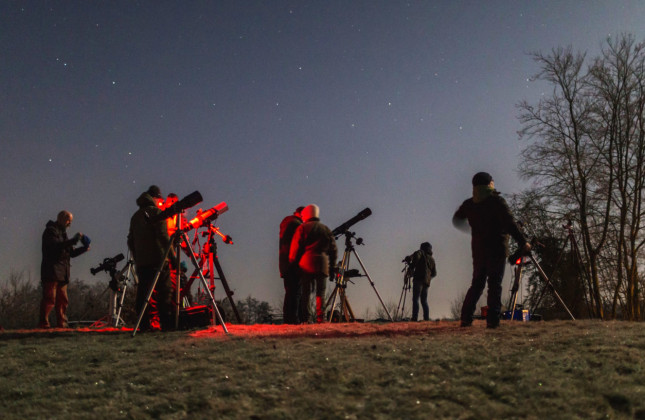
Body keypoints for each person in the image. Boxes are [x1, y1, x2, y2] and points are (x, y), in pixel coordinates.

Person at [453, 172, 531, 329]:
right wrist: (523, 242)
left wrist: (472, 228)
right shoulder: (496, 202)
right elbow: (510, 224)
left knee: (477, 284)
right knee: (494, 284)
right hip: (497, 249)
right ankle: (493, 321)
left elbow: (457, 219)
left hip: (478, 250)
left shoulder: (469, 204)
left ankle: (466, 318)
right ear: (489, 184)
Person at [128, 185, 176, 332]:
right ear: (155, 198)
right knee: (165, 292)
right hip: (159, 260)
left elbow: (130, 240)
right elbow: (163, 236)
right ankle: (166, 324)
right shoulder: (156, 212)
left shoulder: (135, 216)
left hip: (142, 262)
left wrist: (137, 257)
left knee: (143, 293)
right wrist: (172, 257)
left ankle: (143, 325)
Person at [39, 210, 91, 328]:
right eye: (68, 220)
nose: (70, 224)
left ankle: (62, 323)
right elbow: (55, 247)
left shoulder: (63, 234)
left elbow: (70, 253)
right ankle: (44, 324)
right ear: (61, 218)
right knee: (49, 299)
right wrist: (73, 240)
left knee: (62, 300)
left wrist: (84, 249)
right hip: (52, 271)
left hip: (62, 272)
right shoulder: (50, 231)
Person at [289, 204, 337, 323]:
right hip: (322, 264)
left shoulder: (302, 229)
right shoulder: (325, 229)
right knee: (320, 293)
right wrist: (332, 268)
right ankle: (322, 319)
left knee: (306, 293)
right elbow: (333, 251)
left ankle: (307, 319)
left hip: (306, 264)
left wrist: (292, 264)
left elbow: (295, 249)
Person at [279, 206, 304, 324]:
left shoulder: (287, 223)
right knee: (295, 294)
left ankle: (290, 320)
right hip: (293, 264)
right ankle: (293, 321)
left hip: (285, 264)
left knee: (291, 293)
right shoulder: (296, 225)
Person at [409, 242, 437, 321]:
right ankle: (426, 319)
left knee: (415, 299)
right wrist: (428, 278)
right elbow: (434, 273)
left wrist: (411, 266)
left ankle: (414, 318)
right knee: (424, 301)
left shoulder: (420, 252)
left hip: (418, 279)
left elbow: (416, 257)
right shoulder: (432, 259)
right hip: (426, 282)